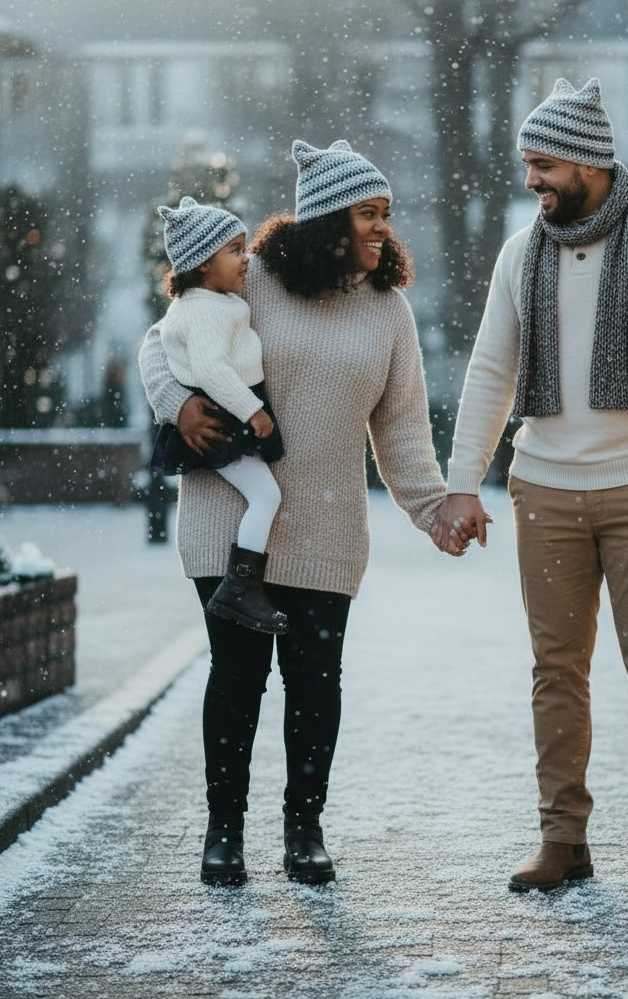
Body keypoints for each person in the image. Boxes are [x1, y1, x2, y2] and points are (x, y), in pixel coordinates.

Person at [433, 78, 628, 900]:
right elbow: (491, 371)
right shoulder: (520, 250)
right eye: (527, 164)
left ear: (588, 161)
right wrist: (463, 483)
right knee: (556, 669)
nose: (531, 180)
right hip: (544, 487)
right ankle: (562, 839)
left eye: (542, 164)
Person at [140, 140, 449, 888]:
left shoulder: (388, 311)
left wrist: (434, 507)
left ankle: (303, 828)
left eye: (385, 215)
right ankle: (223, 833)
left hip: (330, 521)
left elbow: (402, 427)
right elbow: (163, 339)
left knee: (315, 682)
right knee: (238, 677)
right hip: (229, 515)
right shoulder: (251, 280)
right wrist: (178, 404)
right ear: (322, 222)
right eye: (366, 215)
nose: (382, 229)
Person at [151, 196, 287, 635]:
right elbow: (211, 370)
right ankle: (240, 587)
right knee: (266, 496)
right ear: (202, 265)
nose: (245, 259)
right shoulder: (204, 309)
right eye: (234, 251)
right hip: (225, 417)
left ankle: (240, 587)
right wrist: (254, 411)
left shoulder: (213, 302)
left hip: (230, 410)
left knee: (265, 495)